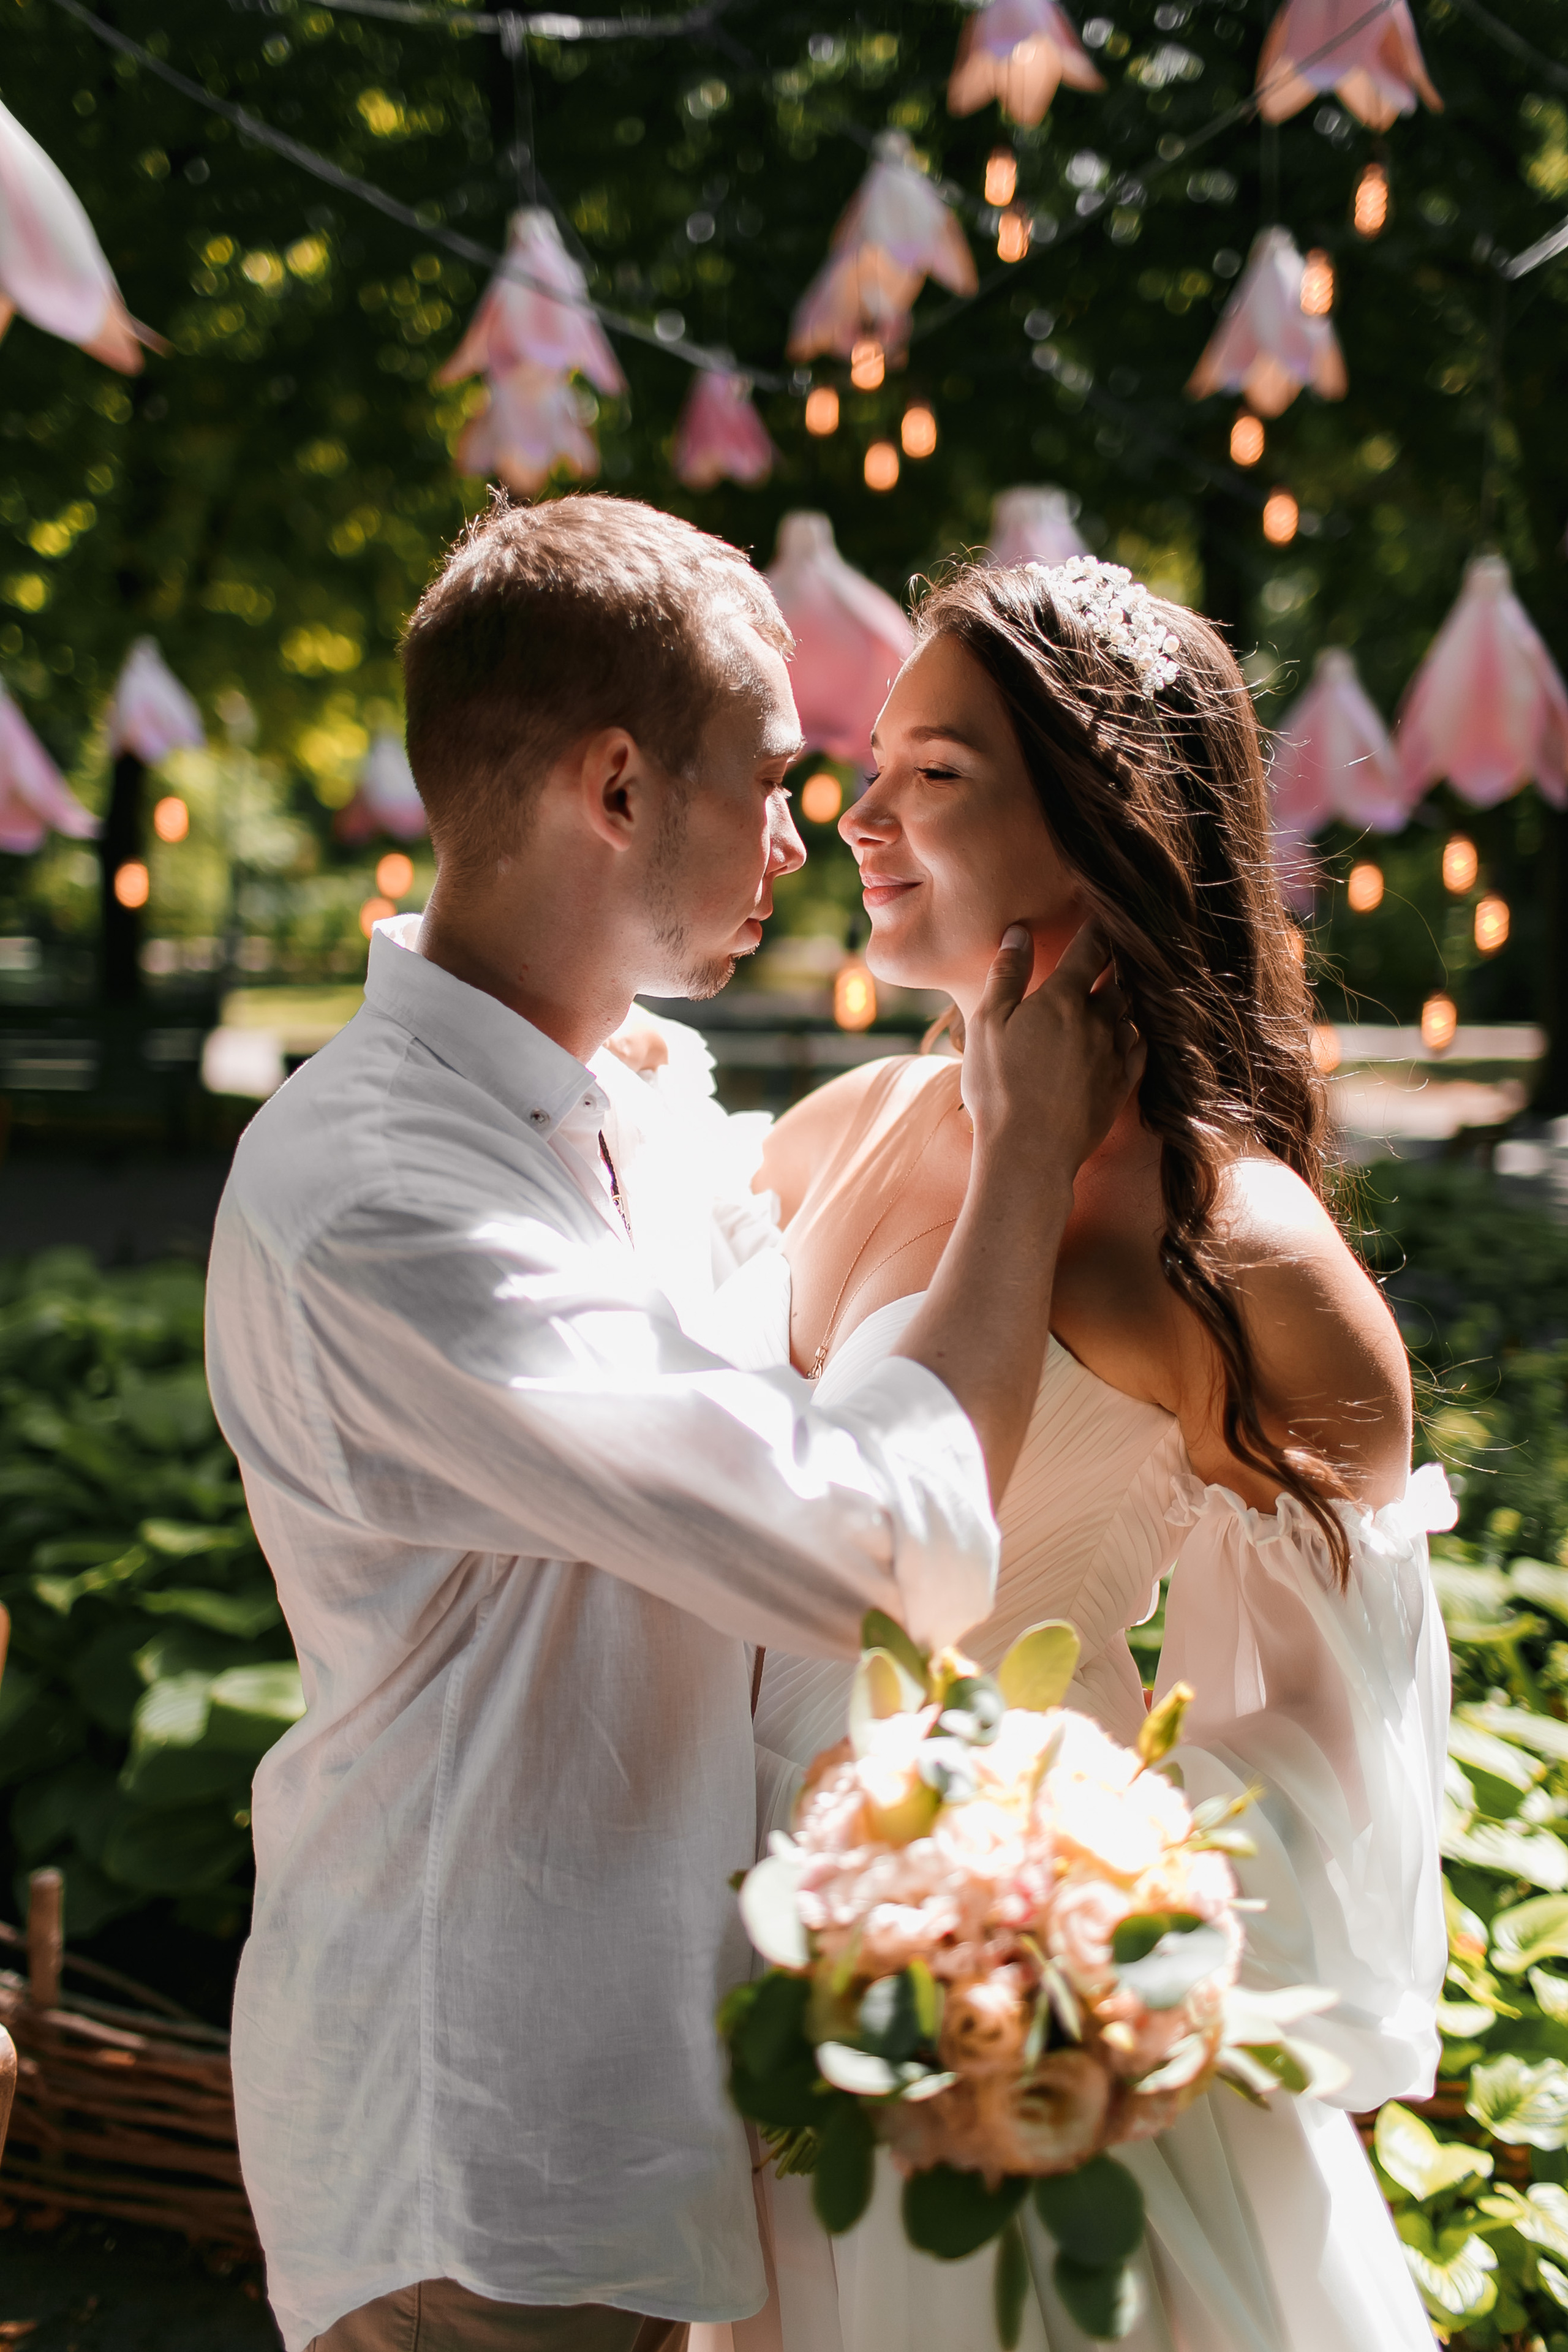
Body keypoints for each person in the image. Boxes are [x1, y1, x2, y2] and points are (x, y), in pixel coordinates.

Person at [203, 496, 1144, 2352]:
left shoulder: (631, 1098)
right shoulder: (383, 1202)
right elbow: (871, 1545)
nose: (805, 838)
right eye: (771, 778)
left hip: (642, 2113)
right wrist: (1025, 1159)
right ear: (618, 790)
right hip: (480, 2149)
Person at [722, 557, 1451, 2352]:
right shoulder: (841, 1128)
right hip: (767, 1995)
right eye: (870, 761)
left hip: (1029, 2036)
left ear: (1103, 812)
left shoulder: (1232, 1245)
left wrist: (1055, 1900)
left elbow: (1354, 1735)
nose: (860, 812)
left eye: (936, 773)